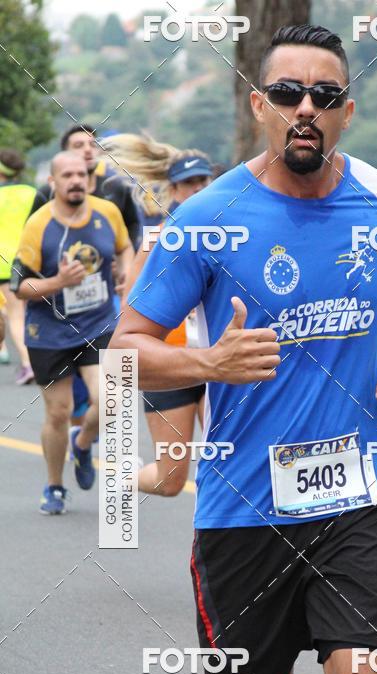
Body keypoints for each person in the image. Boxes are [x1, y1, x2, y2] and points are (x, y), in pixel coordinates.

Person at [112, 24, 377, 674]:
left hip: (359, 502)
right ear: (259, 106)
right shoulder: (206, 219)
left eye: (324, 96)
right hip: (244, 512)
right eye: (287, 93)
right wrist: (207, 362)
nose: (305, 109)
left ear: (346, 111)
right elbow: (130, 346)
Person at [12, 151, 133, 514]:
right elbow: (20, 286)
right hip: (49, 331)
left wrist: (125, 275)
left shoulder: (107, 213)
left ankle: (83, 444)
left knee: (112, 400)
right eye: (67, 175)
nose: (76, 180)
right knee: (58, 413)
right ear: (53, 182)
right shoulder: (40, 224)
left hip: (97, 323)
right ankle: (54, 486)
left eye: (82, 174)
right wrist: (57, 282)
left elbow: (125, 248)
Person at [108, 133, 212, 496]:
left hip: (218, 362)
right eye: (189, 183)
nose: (198, 189)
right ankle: (121, 479)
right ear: (173, 191)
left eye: (203, 180)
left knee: (224, 466)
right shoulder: (157, 241)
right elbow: (130, 311)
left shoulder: (230, 236)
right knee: (170, 481)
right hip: (170, 365)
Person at [30, 124, 141, 247]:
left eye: (93, 145)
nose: (88, 150)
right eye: (79, 145)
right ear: (66, 153)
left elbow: (133, 225)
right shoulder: (48, 193)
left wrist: (122, 257)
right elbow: (31, 238)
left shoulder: (117, 187)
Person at [0, 149, 36, 384]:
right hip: (25, 259)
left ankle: (27, 363)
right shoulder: (32, 193)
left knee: (15, 315)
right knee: (20, 312)